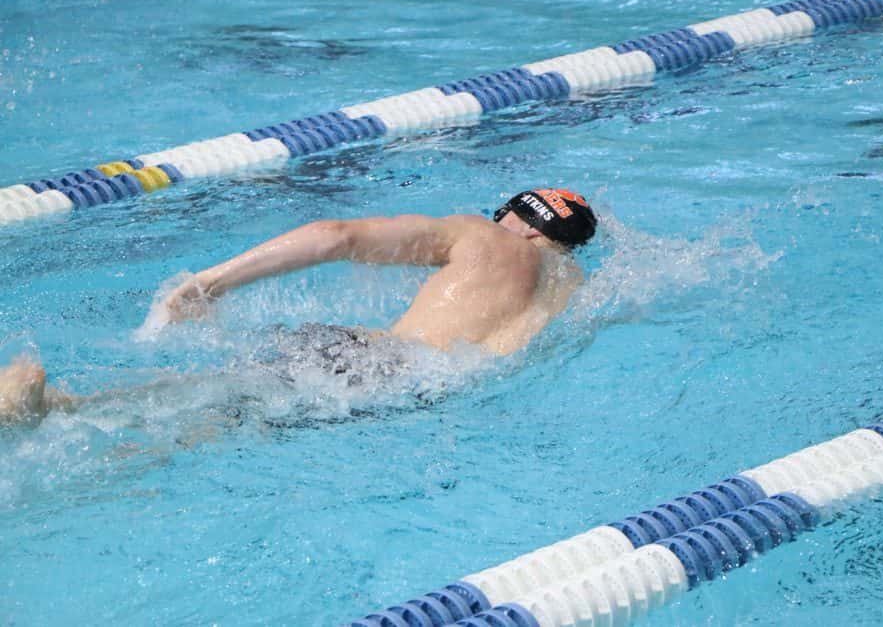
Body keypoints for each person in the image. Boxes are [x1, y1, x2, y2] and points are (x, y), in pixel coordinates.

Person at [0, 188, 598, 423]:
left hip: (375, 360)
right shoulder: (574, 290)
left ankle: (62, 409)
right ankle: (69, 417)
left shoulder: (485, 236)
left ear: (520, 222)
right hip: (418, 399)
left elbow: (337, 234)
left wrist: (213, 280)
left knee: (212, 389)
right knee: (216, 423)